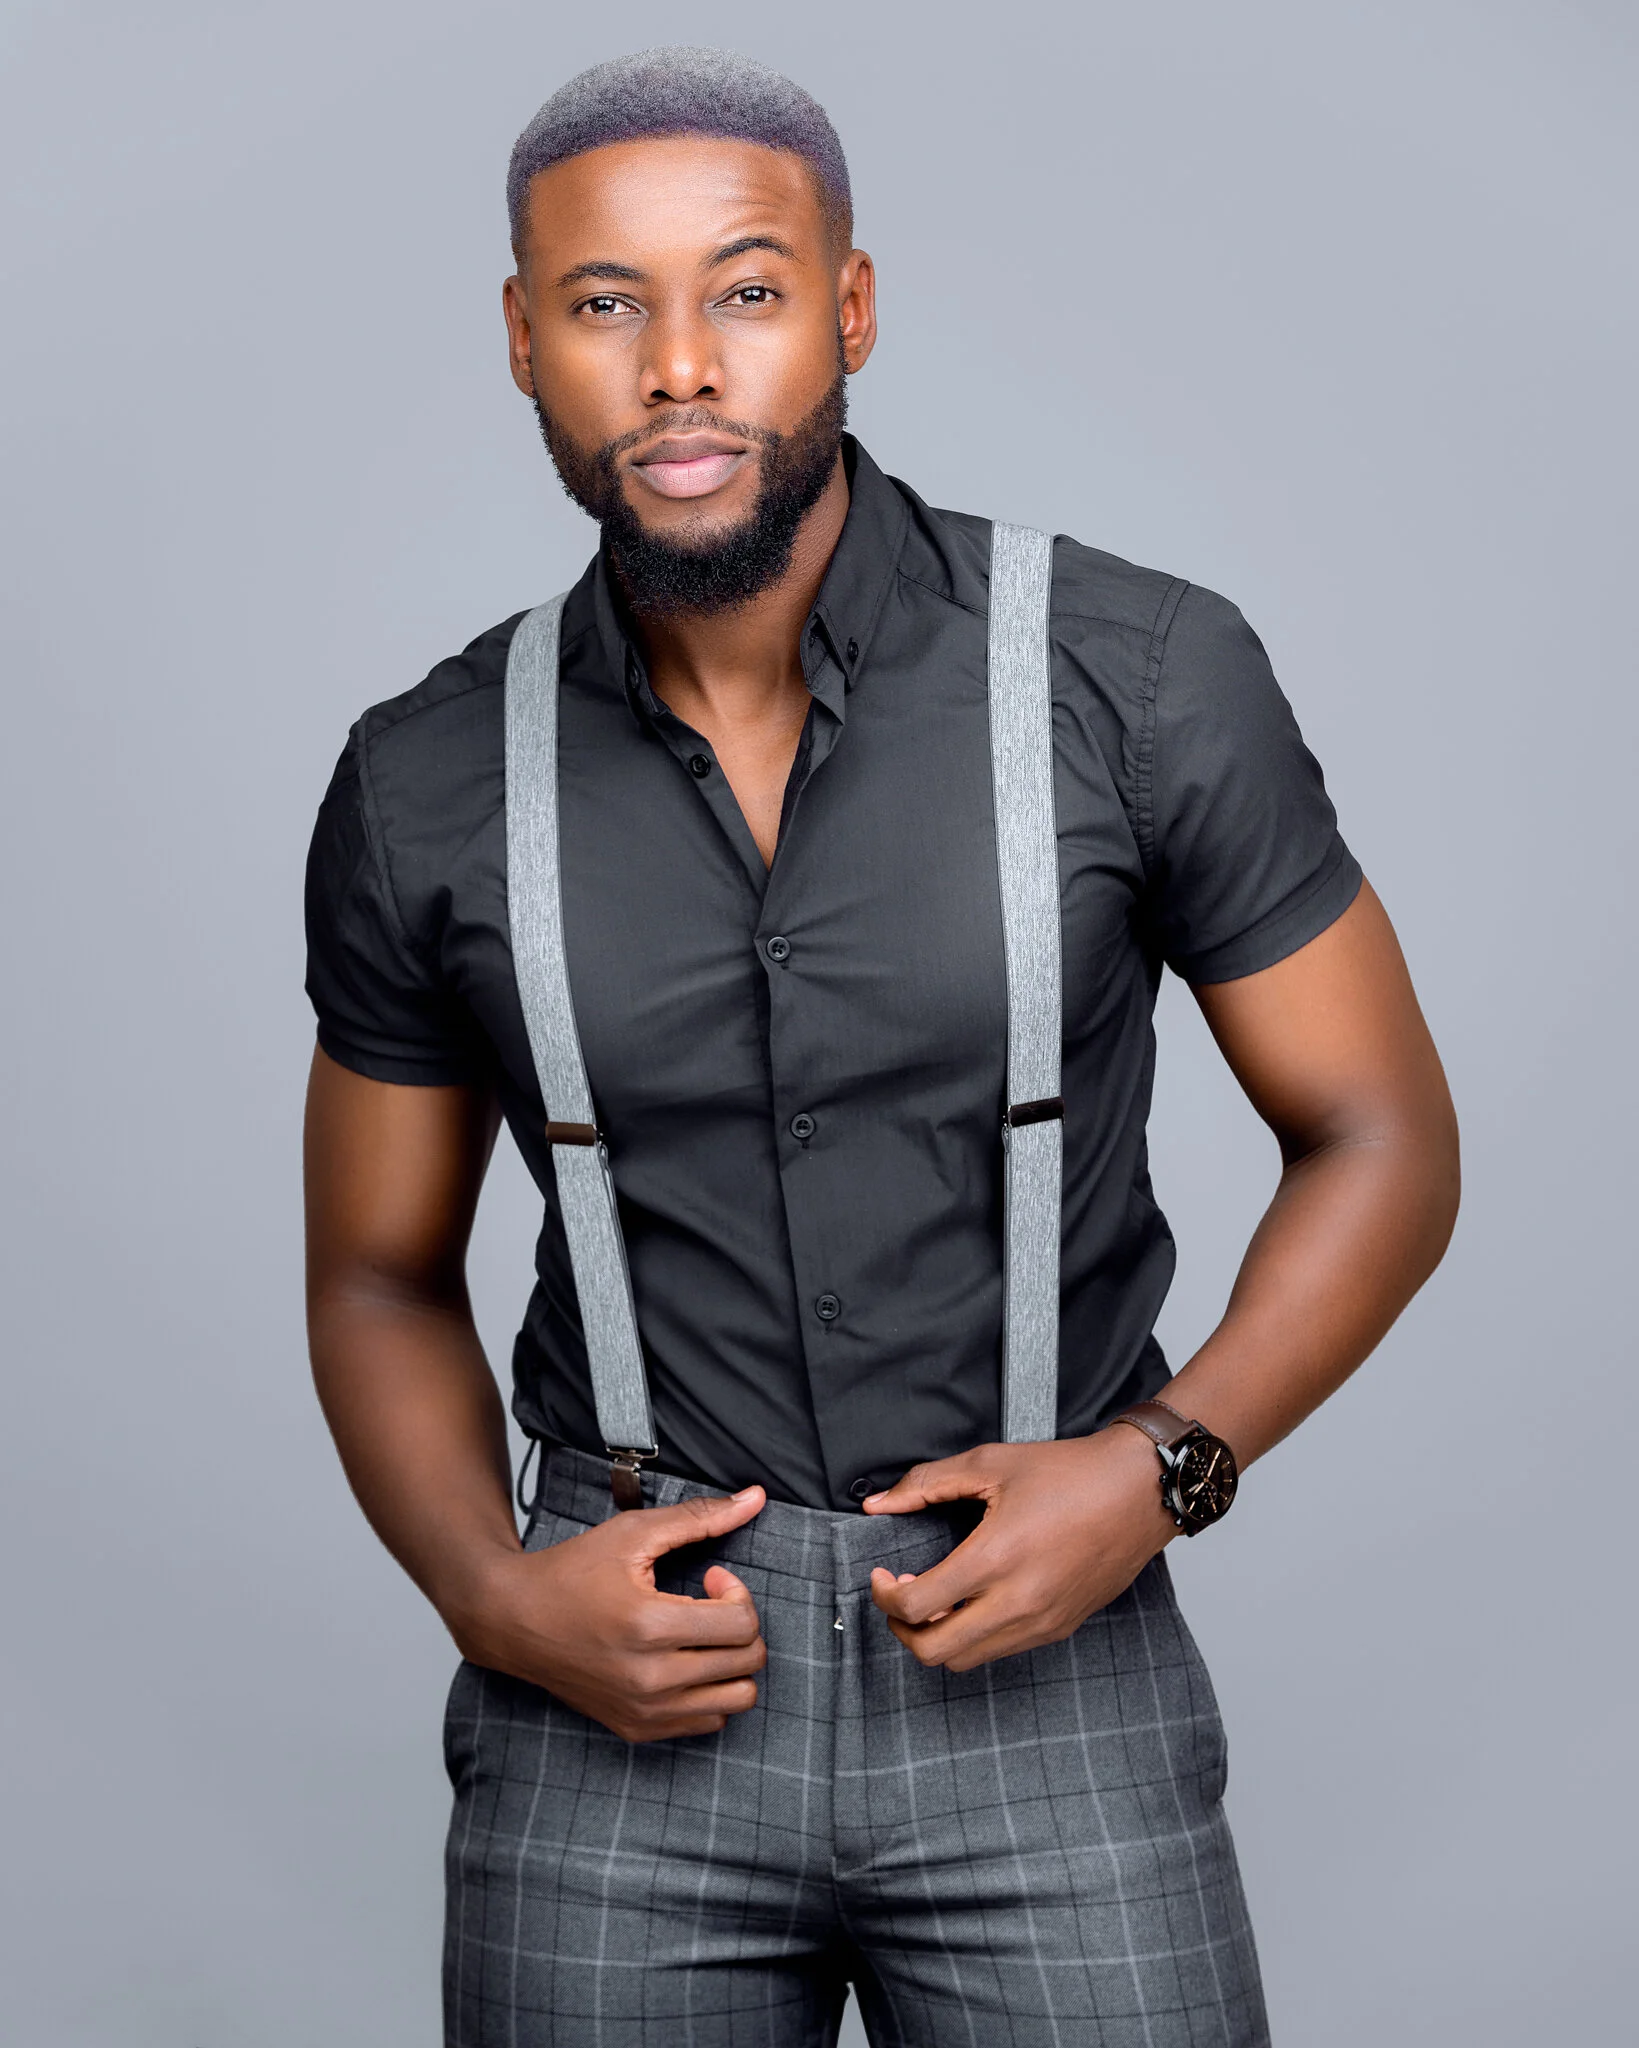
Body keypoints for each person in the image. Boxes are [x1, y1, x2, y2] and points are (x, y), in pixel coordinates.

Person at [302, 46, 1458, 2048]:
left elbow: (1381, 1134)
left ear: (847, 307)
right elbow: (375, 1269)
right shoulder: (424, 780)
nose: (678, 363)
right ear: (521, 340)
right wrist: (495, 1598)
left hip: (1051, 1663)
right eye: (605, 302)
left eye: (744, 288)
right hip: (617, 1698)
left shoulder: (1141, 678)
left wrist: (1161, 1468)